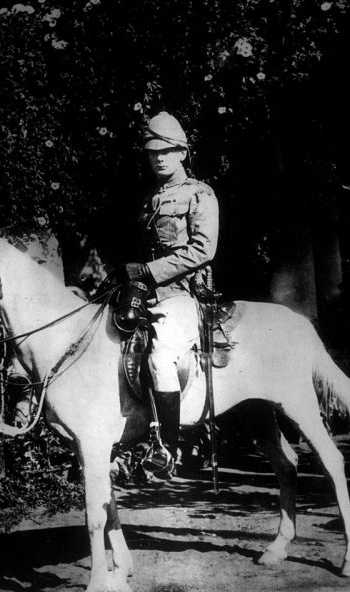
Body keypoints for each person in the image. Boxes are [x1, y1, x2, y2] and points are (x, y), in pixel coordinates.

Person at [120, 111, 219, 476]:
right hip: (145, 294)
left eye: (167, 150)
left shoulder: (200, 194)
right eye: (152, 152)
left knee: (161, 358)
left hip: (181, 295)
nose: (158, 157)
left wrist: (149, 271)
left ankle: (168, 448)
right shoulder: (149, 199)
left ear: (182, 153)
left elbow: (203, 249)